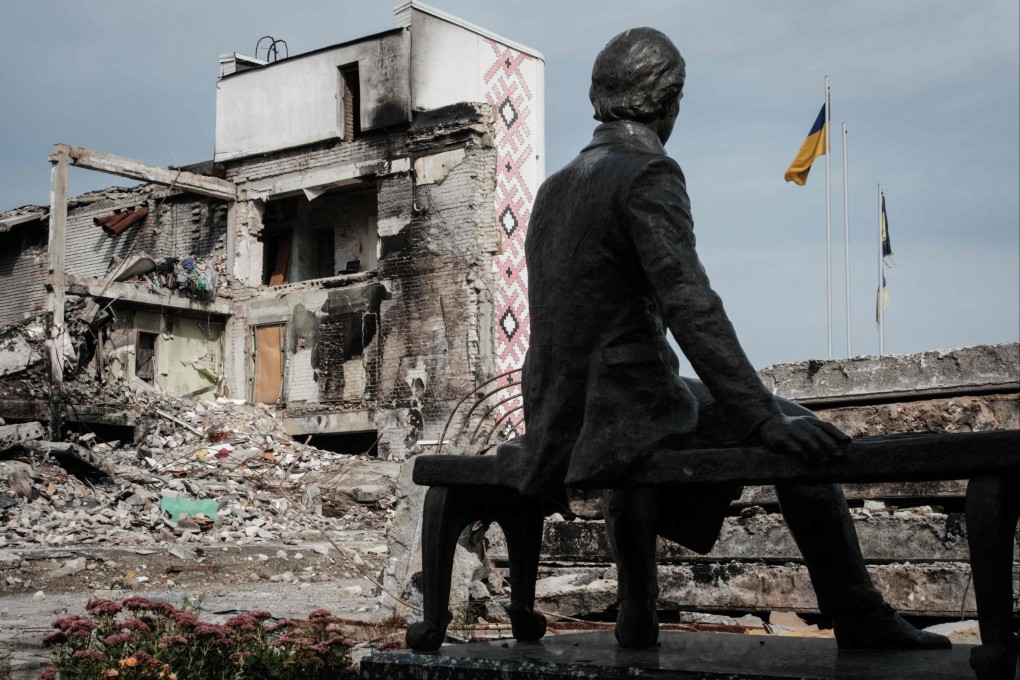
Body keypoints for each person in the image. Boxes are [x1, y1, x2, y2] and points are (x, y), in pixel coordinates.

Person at [507, 27, 951, 650]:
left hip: (558, 407)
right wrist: (761, 416)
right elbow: (690, 304)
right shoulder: (647, 171)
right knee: (802, 436)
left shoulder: (555, 186)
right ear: (669, 101)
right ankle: (858, 615)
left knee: (635, 444)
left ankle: (637, 609)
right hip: (621, 400)